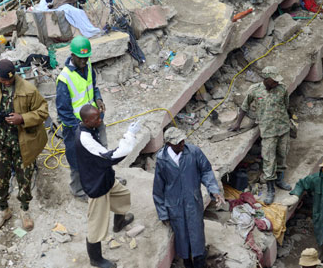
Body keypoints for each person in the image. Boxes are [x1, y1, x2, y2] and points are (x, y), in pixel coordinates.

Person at [0, 59, 48, 231]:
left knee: (24, 179)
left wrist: (23, 119)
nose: (7, 83)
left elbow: (43, 111)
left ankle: (25, 210)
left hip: (22, 144)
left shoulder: (28, 90)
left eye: (10, 80)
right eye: (4, 80)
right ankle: (3, 209)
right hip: (1, 143)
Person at [76, 105, 138, 268]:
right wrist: (129, 135)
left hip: (105, 177)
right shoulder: (85, 139)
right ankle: (95, 258)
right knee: (96, 224)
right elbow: (112, 157)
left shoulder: (88, 129)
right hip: (97, 186)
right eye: (97, 118)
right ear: (87, 121)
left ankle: (119, 223)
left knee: (123, 195)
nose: (101, 119)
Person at [153, 127, 225, 268]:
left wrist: (214, 190)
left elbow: (206, 171)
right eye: (178, 142)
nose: (182, 144)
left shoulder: (193, 152)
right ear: (169, 144)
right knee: (182, 237)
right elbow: (158, 189)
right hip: (175, 205)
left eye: (182, 140)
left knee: (197, 233)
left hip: (193, 201)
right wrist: (163, 213)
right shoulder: (162, 160)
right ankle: (187, 263)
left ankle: (200, 262)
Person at [228, 66, 294, 204]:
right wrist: (237, 123)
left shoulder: (282, 89)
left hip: (283, 128)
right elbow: (245, 106)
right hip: (268, 131)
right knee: (269, 159)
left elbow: (286, 105)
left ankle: (280, 180)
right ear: (267, 79)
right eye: (274, 81)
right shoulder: (254, 90)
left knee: (282, 155)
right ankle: (271, 189)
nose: (277, 83)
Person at [56, 35, 107, 197]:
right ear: (72, 56)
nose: (84, 61)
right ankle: (78, 190)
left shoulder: (89, 65)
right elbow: (63, 111)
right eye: (81, 58)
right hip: (76, 127)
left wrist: (98, 99)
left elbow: (93, 87)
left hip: (94, 120)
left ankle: (102, 178)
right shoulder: (64, 78)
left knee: (100, 150)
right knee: (77, 157)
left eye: (86, 57)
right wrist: (80, 129)